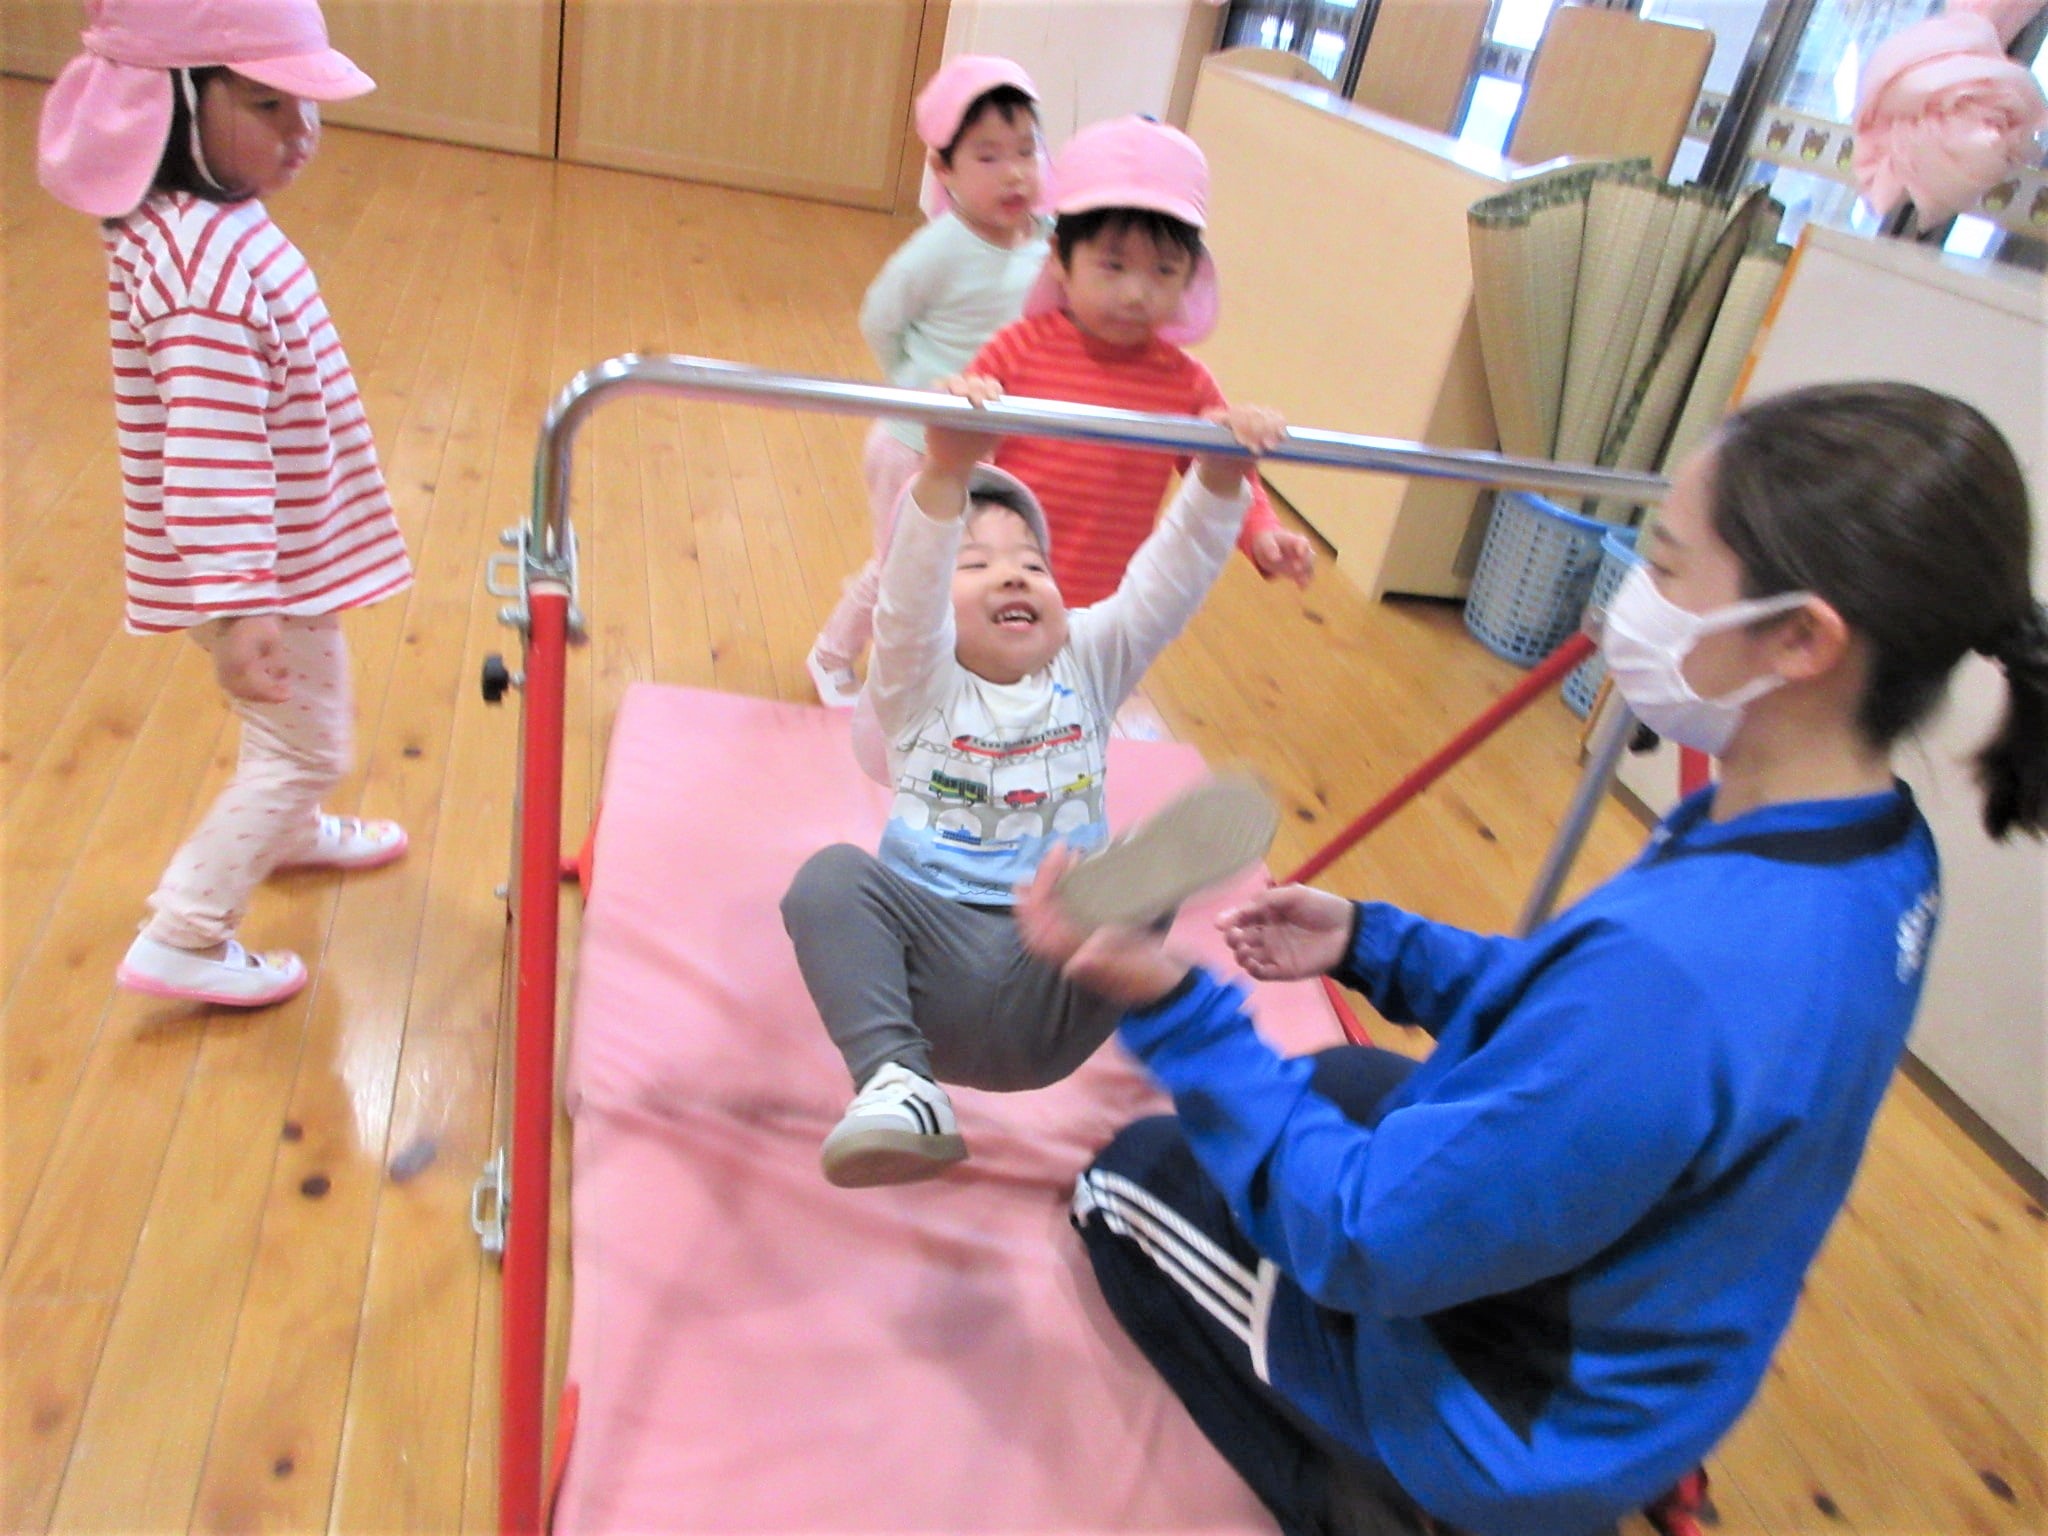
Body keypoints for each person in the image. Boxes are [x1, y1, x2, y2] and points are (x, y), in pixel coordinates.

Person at [1015, 382, 2048, 1536]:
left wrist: (1174, 1009)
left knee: (1127, 1183)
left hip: (1497, 1422)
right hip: (1655, 1340)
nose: (1626, 598)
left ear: (1801, 638)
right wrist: (1374, 944)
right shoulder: (1873, 850)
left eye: (1665, 566)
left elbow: (1359, 1239)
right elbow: (1584, 1023)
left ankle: (1389, 1503)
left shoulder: (1680, 975)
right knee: (1339, 1081)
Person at [781, 382, 1287, 1189]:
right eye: (975, 564)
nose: (1012, 577)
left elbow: (1164, 585)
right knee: (829, 879)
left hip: (1057, 965)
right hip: (928, 971)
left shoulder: (1087, 658)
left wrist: (1220, 480)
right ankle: (896, 1086)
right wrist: (944, 475)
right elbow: (906, 602)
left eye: (1031, 564)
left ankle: (1127, 934)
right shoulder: (919, 678)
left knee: (1135, 874)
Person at [39, 0, 414, 1009]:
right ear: (167, 105)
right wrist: (242, 603)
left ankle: (286, 833)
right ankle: (186, 932)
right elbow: (211, 455)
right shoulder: (200, 273)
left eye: (306, 105)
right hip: (255, 563)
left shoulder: (204, 212)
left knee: (290, 725)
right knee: (310, 747)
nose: (302, 133)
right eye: (267, 105)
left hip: (275, 546)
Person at [960, 114, 1317, 609]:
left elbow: (1228, 471)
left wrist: (1262, 531)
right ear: (1060, 258)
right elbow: (952, 442)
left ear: (1190, 276)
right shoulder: (1016, 349)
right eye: (1113, 265)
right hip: (1001, 589)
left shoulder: (1186, 384)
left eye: (1164, 270)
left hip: (1105, 607)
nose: (1135, 293)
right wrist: (966, 399)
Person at [804, 55, 1051, 708]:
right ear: (944, 170)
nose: (1014, 172)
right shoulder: (942, 246)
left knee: (955, 565)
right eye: (988, 157)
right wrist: (915, 385)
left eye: (1026, 150)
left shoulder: (1049, 242)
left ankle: (945, 670)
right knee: (903, 570)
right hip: (914, 442)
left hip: (988, 444)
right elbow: (880, 318)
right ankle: (830, 654)